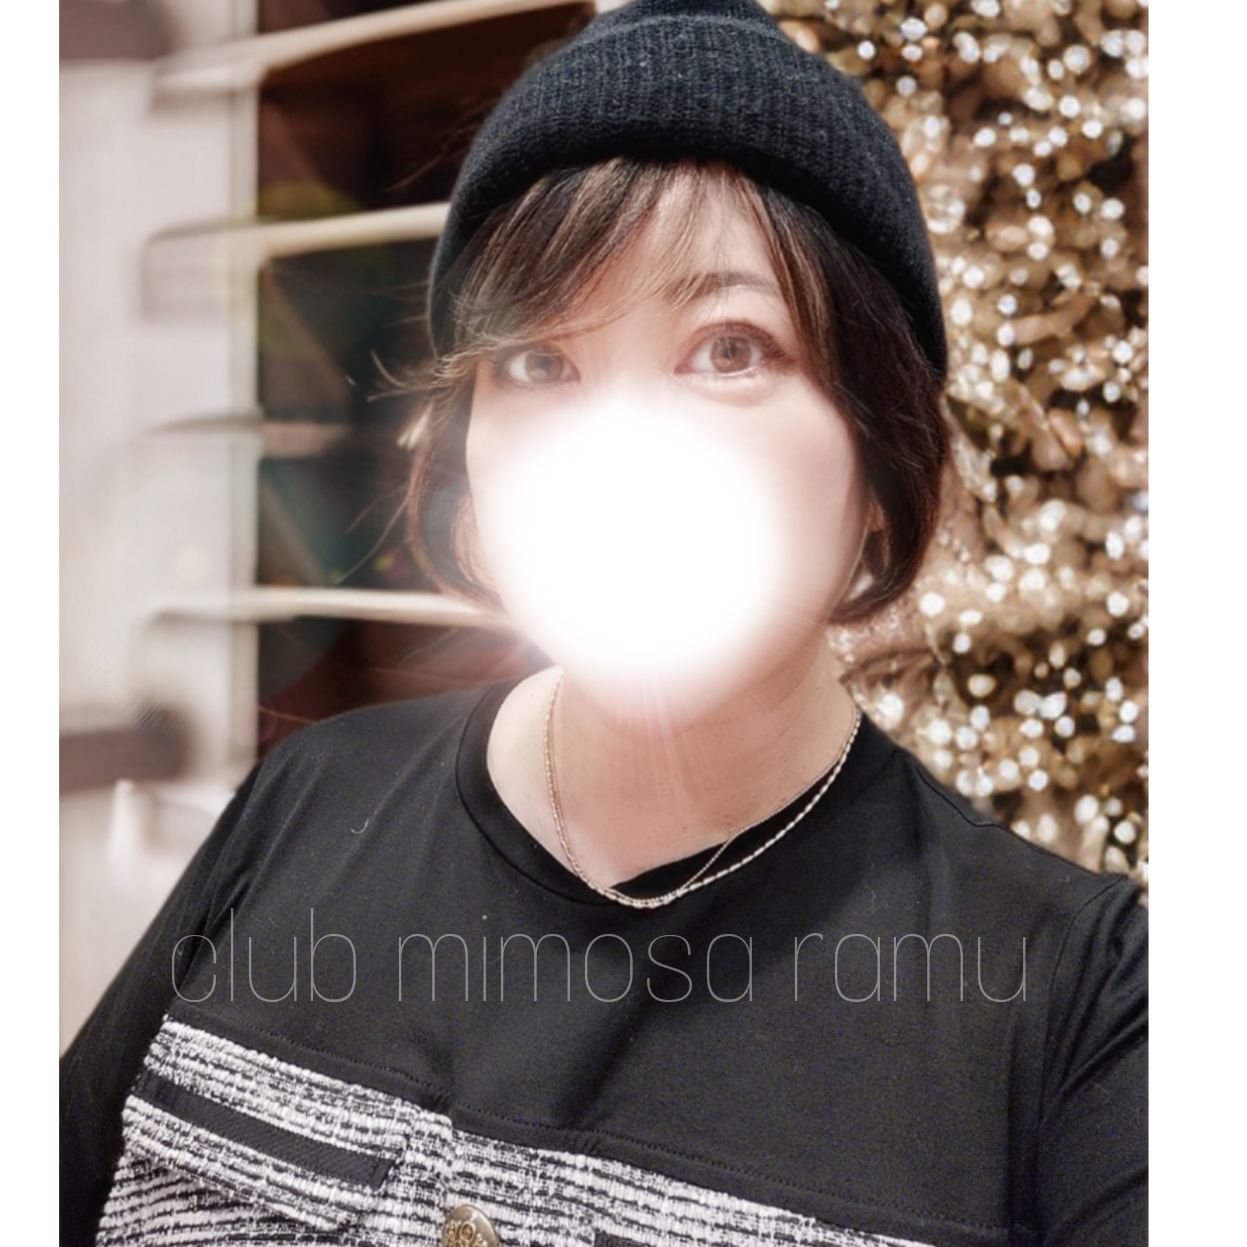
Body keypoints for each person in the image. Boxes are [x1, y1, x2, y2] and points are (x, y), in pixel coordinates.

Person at [60, 2, 1147, 1245]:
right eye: (537, 360)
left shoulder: (1072, 999)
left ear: (879, 455)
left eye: (728, 348)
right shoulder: (310, 797)